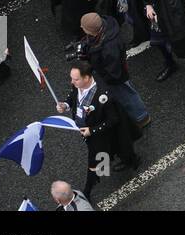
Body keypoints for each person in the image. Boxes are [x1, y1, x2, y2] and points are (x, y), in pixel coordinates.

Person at [55, 60, 139, 198]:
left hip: (99, 133)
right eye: (72, 78)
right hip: (88, 129)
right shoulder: (79, 85)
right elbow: (73, 97)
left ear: (87, 78)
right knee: (115, 147)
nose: (72, 82)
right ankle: (128, 160)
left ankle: (87, 191)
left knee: (94, 160)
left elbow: (113, 120)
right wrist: (65, 105)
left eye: (75, 79)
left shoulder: (103, 96)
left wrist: (92, 131)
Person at [76, 12, 150, 128]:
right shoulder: (105, 28)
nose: (81, 28)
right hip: (109, 72)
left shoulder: (109, 48)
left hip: (116, 77)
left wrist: (101, 80)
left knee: (126, 95)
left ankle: (142, 117)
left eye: (84, 27)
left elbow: (113, 72)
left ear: (92, 31)